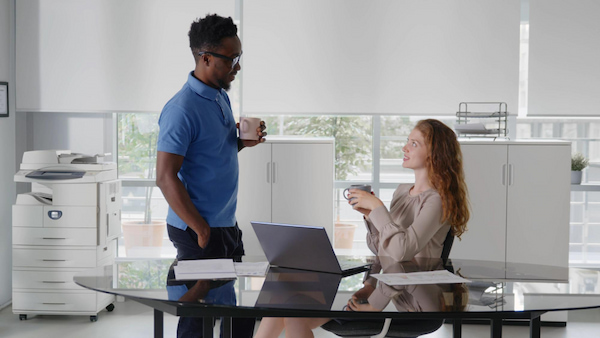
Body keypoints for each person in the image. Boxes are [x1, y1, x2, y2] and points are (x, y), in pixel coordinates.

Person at [254, 119, 469, 338]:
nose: (404, 147)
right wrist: (370, 217)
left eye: (414, 143)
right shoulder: (403, 192)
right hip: (392, 287)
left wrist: (378, 208)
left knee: (294, 311)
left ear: (435, 153)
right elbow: (381, 249)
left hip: (420, 304)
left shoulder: (437, 200)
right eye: (407, 141)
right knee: (286, 305)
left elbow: (401, 252)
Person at [155, 14, 266, 338]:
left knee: (237, 311)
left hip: (225, 225)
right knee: (198, 318)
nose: (238, 67)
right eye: (232, 59)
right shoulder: (181, 109)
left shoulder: (220, 95)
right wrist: (200, 228)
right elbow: (165, 176)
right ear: (206, 58)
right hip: (199, 230)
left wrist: (242, 143)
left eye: (238, 58)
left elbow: (215, 153)